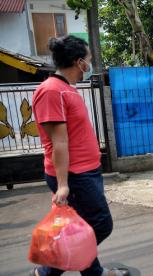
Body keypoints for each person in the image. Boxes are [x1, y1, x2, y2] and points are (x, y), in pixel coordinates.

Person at [31, 35, 129, 276]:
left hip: (85, 172)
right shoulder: (51, 91)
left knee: (81, 226)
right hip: (74, 176)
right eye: (89, 59)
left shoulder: (65, 89)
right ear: (79, 62)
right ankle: (48, 270)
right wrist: (63, 185)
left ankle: (92, 272)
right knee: (101, 224)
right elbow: (59, 142)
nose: (90, 63)